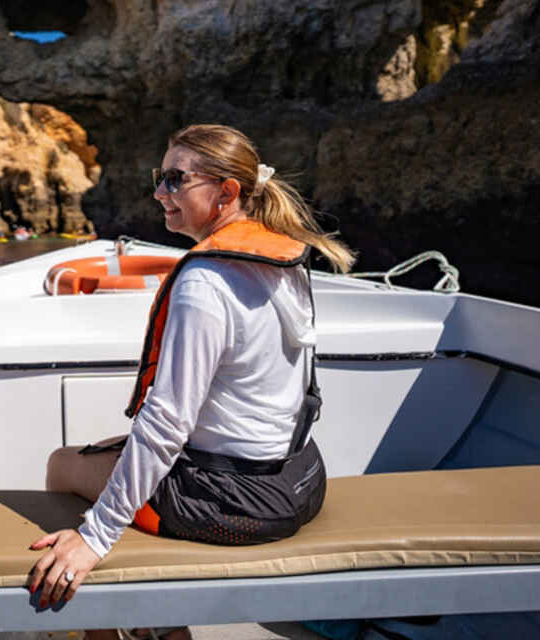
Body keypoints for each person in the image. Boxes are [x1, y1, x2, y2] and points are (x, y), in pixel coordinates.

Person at [26, 124, 356, 633]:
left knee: (63, 466)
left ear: (226, 193)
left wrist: (94, 538)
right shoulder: (283, 258)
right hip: (300, 482)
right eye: (161, 177)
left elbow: (166, 421)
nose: (160, 192)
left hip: (232, 505)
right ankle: (160, 626)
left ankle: (105, 623)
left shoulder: (205, 284)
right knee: (119, 451)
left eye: (176, 180)